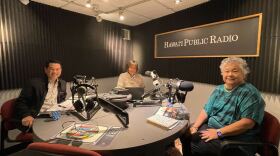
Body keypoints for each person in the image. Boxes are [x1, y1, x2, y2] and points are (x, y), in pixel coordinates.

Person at [181, 57, 265, 156]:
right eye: (226, 71)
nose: (230, 74)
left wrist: (218, 133)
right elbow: (206, 110)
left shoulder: (249, 93)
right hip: (213, 129)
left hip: (235, 141)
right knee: (185, 133)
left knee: (195, 144)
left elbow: (247, 123)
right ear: (222, 74)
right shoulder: (219, 89)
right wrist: (195, 127)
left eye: (235, 71)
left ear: (244, 73)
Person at [13, 59, 67, 132]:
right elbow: (21, 102)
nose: (55, 72)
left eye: (57, 69)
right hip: (37, 117)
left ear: (61, 70)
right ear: (45, 70)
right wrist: (26, 115)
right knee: (52, 134)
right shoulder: (34, 83)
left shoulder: (62, 83)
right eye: (52, 69)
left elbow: (62, 99)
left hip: (54, 116)